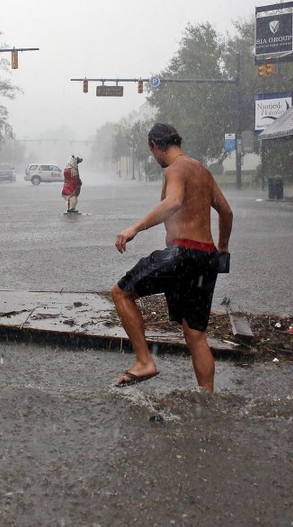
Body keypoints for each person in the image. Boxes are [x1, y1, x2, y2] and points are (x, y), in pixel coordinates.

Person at [110, 123, 232, 393]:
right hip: (206, 257)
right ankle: (206, 398)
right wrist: (222, 248)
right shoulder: (202, 171)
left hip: (182, 254)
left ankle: (144, 361)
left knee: (121, 293)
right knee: (195, 335)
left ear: (154, 146)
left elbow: (174, 202)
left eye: (151, 151)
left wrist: (134, 228)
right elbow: (226, 212)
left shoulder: (175, 169)